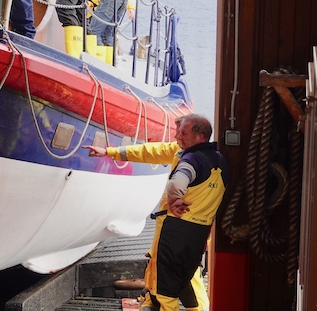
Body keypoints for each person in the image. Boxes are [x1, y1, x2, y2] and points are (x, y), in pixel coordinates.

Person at [82, 114, 229, 311]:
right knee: (160, 267)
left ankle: (191, 308)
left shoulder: (191, 158)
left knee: (180, 279)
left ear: (199, 137)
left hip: (178, 226)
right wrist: (110, 152)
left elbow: (175, 182)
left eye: (182, 133)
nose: (177, 137)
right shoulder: (215, 159)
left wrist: (172, 200)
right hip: (195, 227)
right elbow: (148, 151)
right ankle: (154, 302)